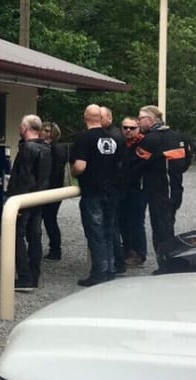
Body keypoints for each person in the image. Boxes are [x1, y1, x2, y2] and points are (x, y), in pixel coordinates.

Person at [71, 104, 125, 286]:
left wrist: (73, 172)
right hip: (112, 191)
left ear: (85, 117)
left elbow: (80, 166)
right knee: (109, 232)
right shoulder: (113, 138)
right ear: (100, 118)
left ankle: (98, 273)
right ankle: (110, 270)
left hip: (92, 191)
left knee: (95, 233)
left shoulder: (83, 138)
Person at [134, 105, 186, 269]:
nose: (138, 121)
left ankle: (166, 266)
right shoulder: (177, 136)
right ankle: (169, 262)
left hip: (160, 189)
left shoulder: (151, 139)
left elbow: (135, 164)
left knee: (161, 229)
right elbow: (186, 162)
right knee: (168, 225)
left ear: (150, 119)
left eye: (140, 118)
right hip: (175, 189)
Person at [9, 115, 51, 292]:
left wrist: (16, 202)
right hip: (40, 198)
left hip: (24, 198)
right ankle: (34, 275)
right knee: (35, 236)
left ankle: (24, 276)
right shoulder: (47, 148)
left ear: (25, 128)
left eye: (21, 125)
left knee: (16, 236)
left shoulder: (26, 149)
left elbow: (24, 178)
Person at [118, 116, 148, 268]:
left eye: (132, 128)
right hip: (123, 187)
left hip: (138, 188)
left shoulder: (144, 143)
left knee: (137, 221)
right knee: (122, 220)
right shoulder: (121, 143)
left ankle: (140, 253)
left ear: (139, 129)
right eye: (125, 127)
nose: (128, 130)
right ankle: (128, 250)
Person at [40, 121, 67, 261]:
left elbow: (56, 171)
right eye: (43, 130)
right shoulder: (48, 147)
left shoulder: (56, 148)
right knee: (48, 219)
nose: (44, 133)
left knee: (50, 219)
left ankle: (55, 250)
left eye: (47, 131)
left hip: (53, 188)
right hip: (50, 188)